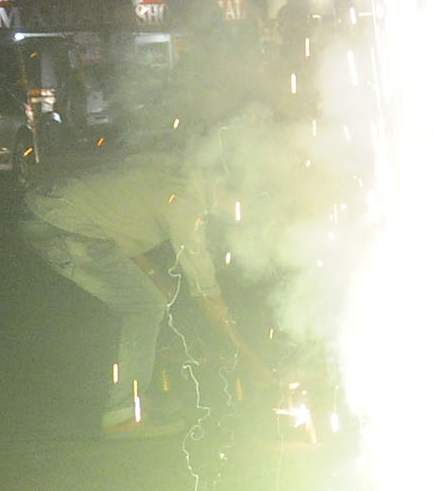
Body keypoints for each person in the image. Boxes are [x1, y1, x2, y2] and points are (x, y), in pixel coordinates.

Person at [20, 144, 270, 437]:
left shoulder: (178, 169)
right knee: (145, 306)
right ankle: (121, 415)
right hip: (59, 225)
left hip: (52, 210)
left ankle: (134, 397)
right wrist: (251, 359)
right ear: (219, 185)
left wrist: (151, 273)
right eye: (238, 202)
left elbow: (116, 215)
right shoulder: (186, 207)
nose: (238, 213)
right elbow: (206, 294)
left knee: (150, 296)